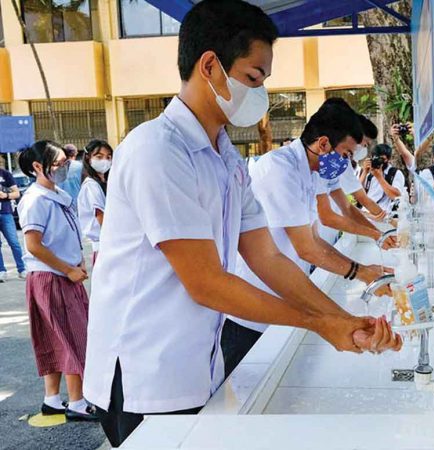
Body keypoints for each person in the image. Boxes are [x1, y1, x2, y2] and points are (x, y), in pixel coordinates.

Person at [83, 2, 400, 446]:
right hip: (145, 375)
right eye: (253, 78)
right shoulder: (158, 151)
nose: (260, 93)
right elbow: (207, 283)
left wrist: (344, 320)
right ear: (210, 65)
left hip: (197, 365)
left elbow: (267, 255)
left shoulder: (225, 158)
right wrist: (316, 323)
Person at [227, 101, 399, 374]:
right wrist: (363, 274)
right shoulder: (279, 169)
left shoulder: (310, 170)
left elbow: (315, 240)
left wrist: (365, 273)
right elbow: (307, 248)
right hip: (250, 308)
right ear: (322, 144)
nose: (346, 163)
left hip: (282, 294)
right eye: (345, 154)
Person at [17, 141, 96, 421]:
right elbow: (34, 245)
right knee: (74, 336)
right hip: (53, 277)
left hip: (62, 274)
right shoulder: (35, 200)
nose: (65, 168)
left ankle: (52, 399)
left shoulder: (58, 194)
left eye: (65, 162)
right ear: (37, 167)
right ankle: (77, 401)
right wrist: (68, 269)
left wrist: (78, 262)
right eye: (58, 164)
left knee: (54, 338)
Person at [314, 104, 397, 248]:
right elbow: (361, 199)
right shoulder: (336, 160)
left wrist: (380, 233)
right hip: (314, 232)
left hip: (326, 233)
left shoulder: (339, 161)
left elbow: (347, 206)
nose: (364, 148)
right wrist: (380, 230)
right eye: (365, 143)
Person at [77, 140, 113, 264]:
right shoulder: (91, 185)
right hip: (105, 246)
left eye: (108, 157)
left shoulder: (107, 182)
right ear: (88, 158)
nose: (105, 161)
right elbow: (100, 216)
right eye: (99, 157)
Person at [359, 143, 406, 212]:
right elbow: (357, 194)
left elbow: (396, 196)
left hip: (384, 216)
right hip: (367, 213)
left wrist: (379, 177)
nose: (378, 161)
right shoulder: (370, 175)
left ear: (388, 159)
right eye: (375, 158)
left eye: (381, 159)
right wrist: (364, 172)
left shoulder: (395, 173)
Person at [0, 165, 26, 281]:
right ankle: (1, 271)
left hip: (5, 213)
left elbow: (17, 193)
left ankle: (21, 269)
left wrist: (5, 195)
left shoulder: (5, 174)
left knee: (14, 242)